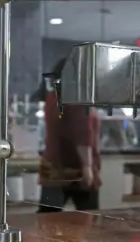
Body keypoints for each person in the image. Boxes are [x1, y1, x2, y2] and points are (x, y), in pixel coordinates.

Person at [36, 57, 101, 212]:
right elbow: (83, 133)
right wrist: (87, 167)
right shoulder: (78, 98)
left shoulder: (52, 97)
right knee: (88, 221)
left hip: (52, 167)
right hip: (76, 168)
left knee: (47, 220)